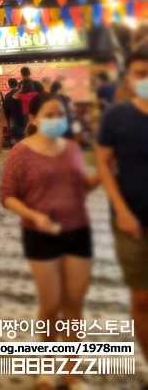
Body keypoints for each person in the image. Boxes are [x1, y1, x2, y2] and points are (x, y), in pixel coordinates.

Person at [1, 92, 99, 390]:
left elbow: (80, 188)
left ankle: (70, 375)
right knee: (51, 303)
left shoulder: (71, 148)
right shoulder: (20, 152)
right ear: (33, 118)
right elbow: (7, 196)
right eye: (52, 114)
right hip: (39, 232)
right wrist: (36, 216)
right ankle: (46, 369)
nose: (59, 120)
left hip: (77, 229)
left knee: (74, 306)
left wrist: (107, 173)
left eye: (62, 114)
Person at [96, 50, 148, 359]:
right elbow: (103, 163)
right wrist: (121, 210)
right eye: (140, 73)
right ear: (128, 77)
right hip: (131, 217)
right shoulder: (117, 115)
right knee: (141, 298)